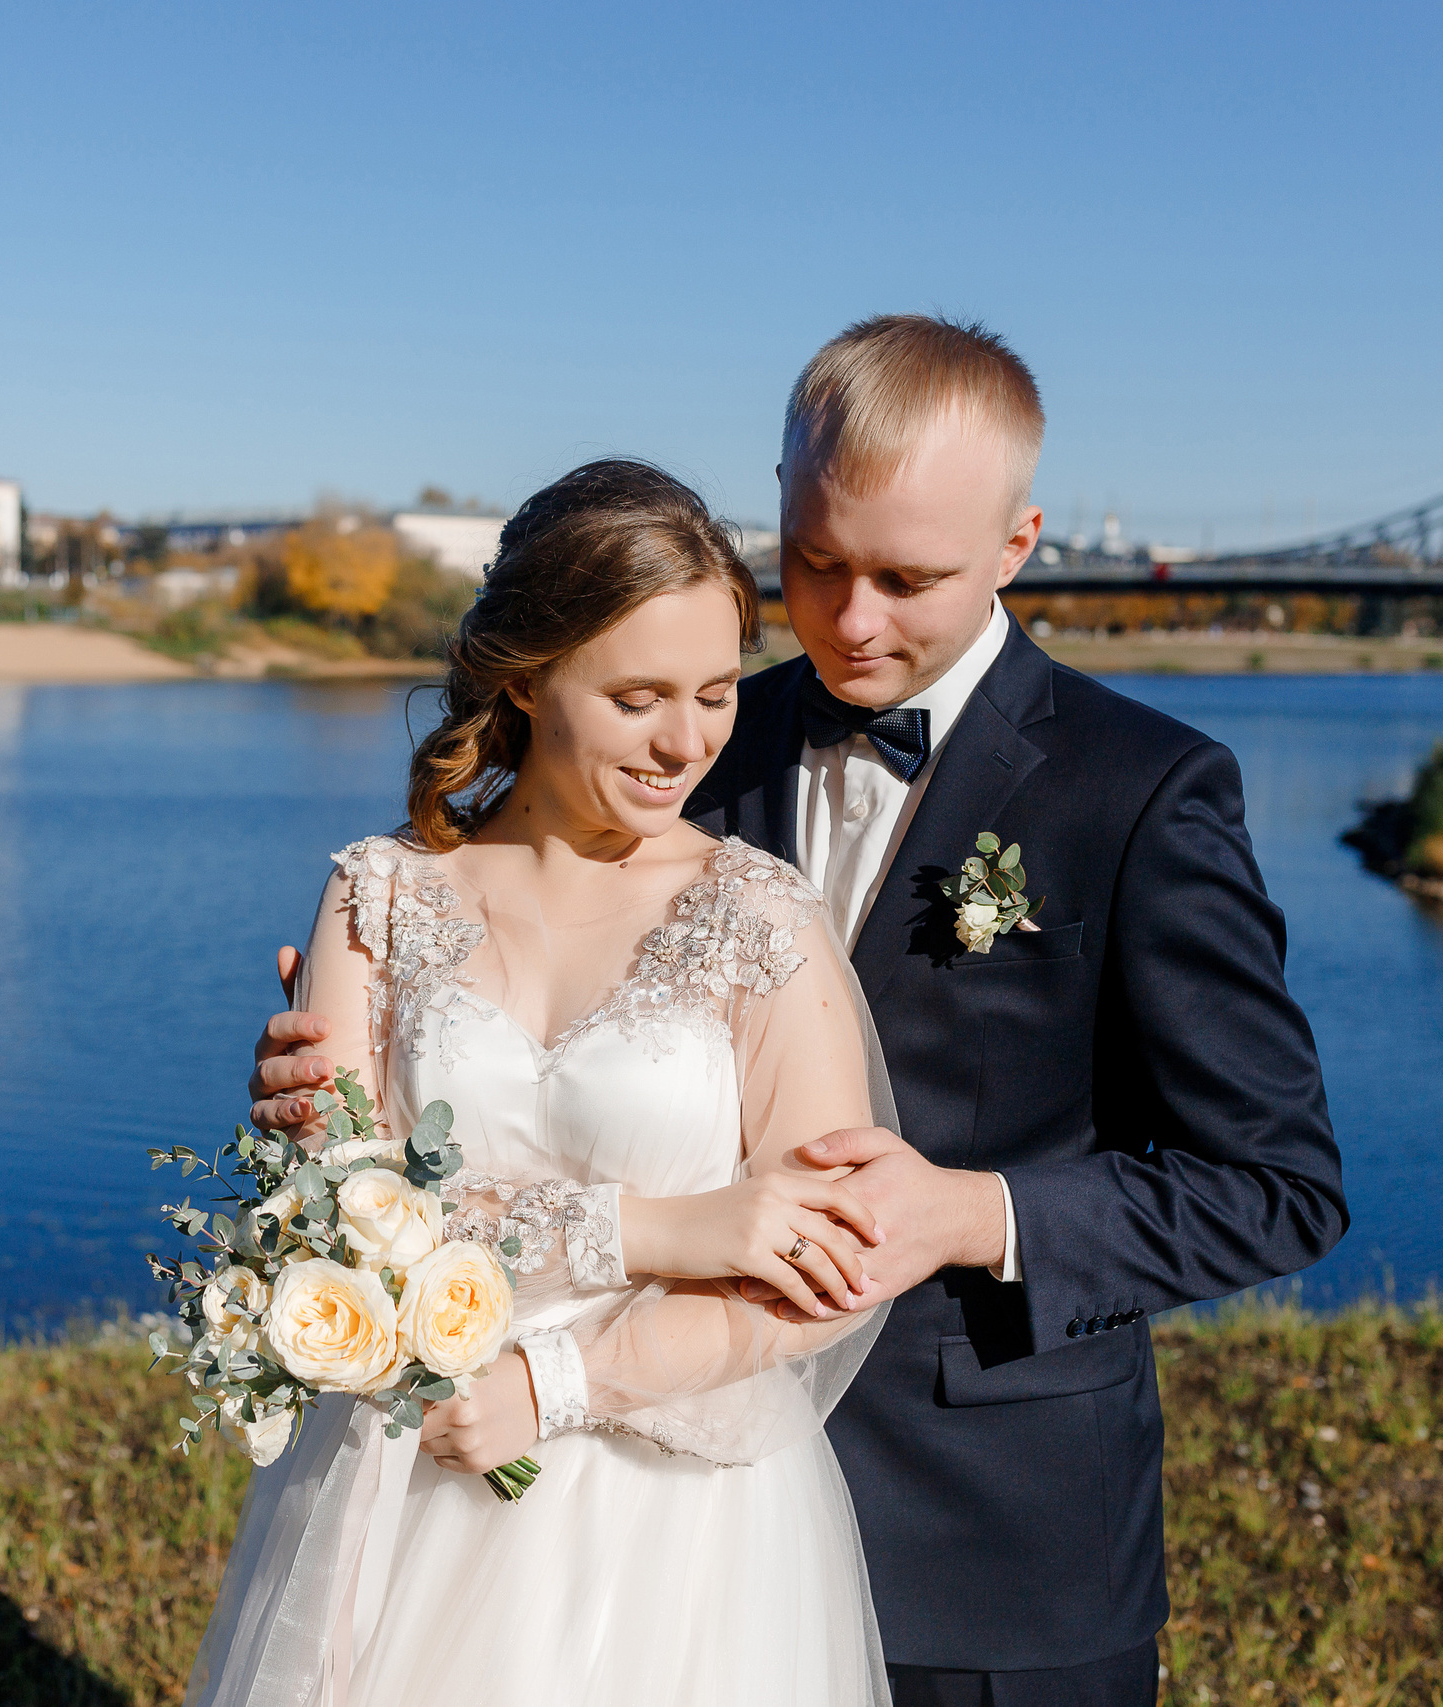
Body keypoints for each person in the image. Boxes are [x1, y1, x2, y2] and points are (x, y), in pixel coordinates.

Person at [246, 315, 1348, 1706]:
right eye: (817, 561)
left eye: (908, 577)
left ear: (1018, 542)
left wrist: (971, 1212)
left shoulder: (1143, 790)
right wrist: (345, 1087)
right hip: (620, 1515)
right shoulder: (685, 722)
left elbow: (1274, 1185)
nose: (851, 618)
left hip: (990, 1538)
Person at [191, 460, 905, 1707]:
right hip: (410, 1483)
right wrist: (656, 1229)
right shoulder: (378, 898)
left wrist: (552, 1384)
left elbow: (833, 1268)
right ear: (524, 677)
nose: (686, 742)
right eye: (636, 698)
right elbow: (330, 1220)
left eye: (715, 693)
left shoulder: (760, 919)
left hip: (677, 1529)